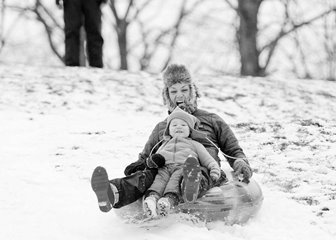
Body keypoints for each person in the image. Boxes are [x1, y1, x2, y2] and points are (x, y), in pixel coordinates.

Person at [91, 64, 253, 213]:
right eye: (173, 91)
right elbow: (146, 156)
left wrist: (240, 163)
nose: (179, 95)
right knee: (146, 176)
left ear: (192, 91)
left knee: (196, 173)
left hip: (201, 168)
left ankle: (190, 184)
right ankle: (112, 192)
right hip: (165, 171)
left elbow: (233, 150)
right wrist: (139, 166)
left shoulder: (211, 120)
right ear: (167, 95)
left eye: (184, 90)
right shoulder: (162, 127)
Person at [142, 106, 221, 218]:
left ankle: (167, 202)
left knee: (174, 185)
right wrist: (150, 163)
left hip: (183, 168)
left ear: (190, 130)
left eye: (183, 125)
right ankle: (151, 200)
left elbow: (208, 160)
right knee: (158, 183)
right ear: (168, 130)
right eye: (174, 125)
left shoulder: (195, 144)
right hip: (164, 168)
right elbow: (155, 157)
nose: (178, 127)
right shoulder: (164, 144)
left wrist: (214, 170)